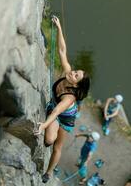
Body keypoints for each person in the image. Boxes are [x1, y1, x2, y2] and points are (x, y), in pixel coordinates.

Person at [34, 16, 90, 183]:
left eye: (75, 75)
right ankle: (50, 129)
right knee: (48, 140)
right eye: (75, 71)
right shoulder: (66, 72)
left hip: (66, 118)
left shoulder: (69, 97)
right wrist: (59, 28)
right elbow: (62, 51)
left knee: (56, 145)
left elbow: (59, 110)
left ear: (76, 84)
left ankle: (48, 173)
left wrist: (43, 125)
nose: (72, 72)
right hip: (55, 107)